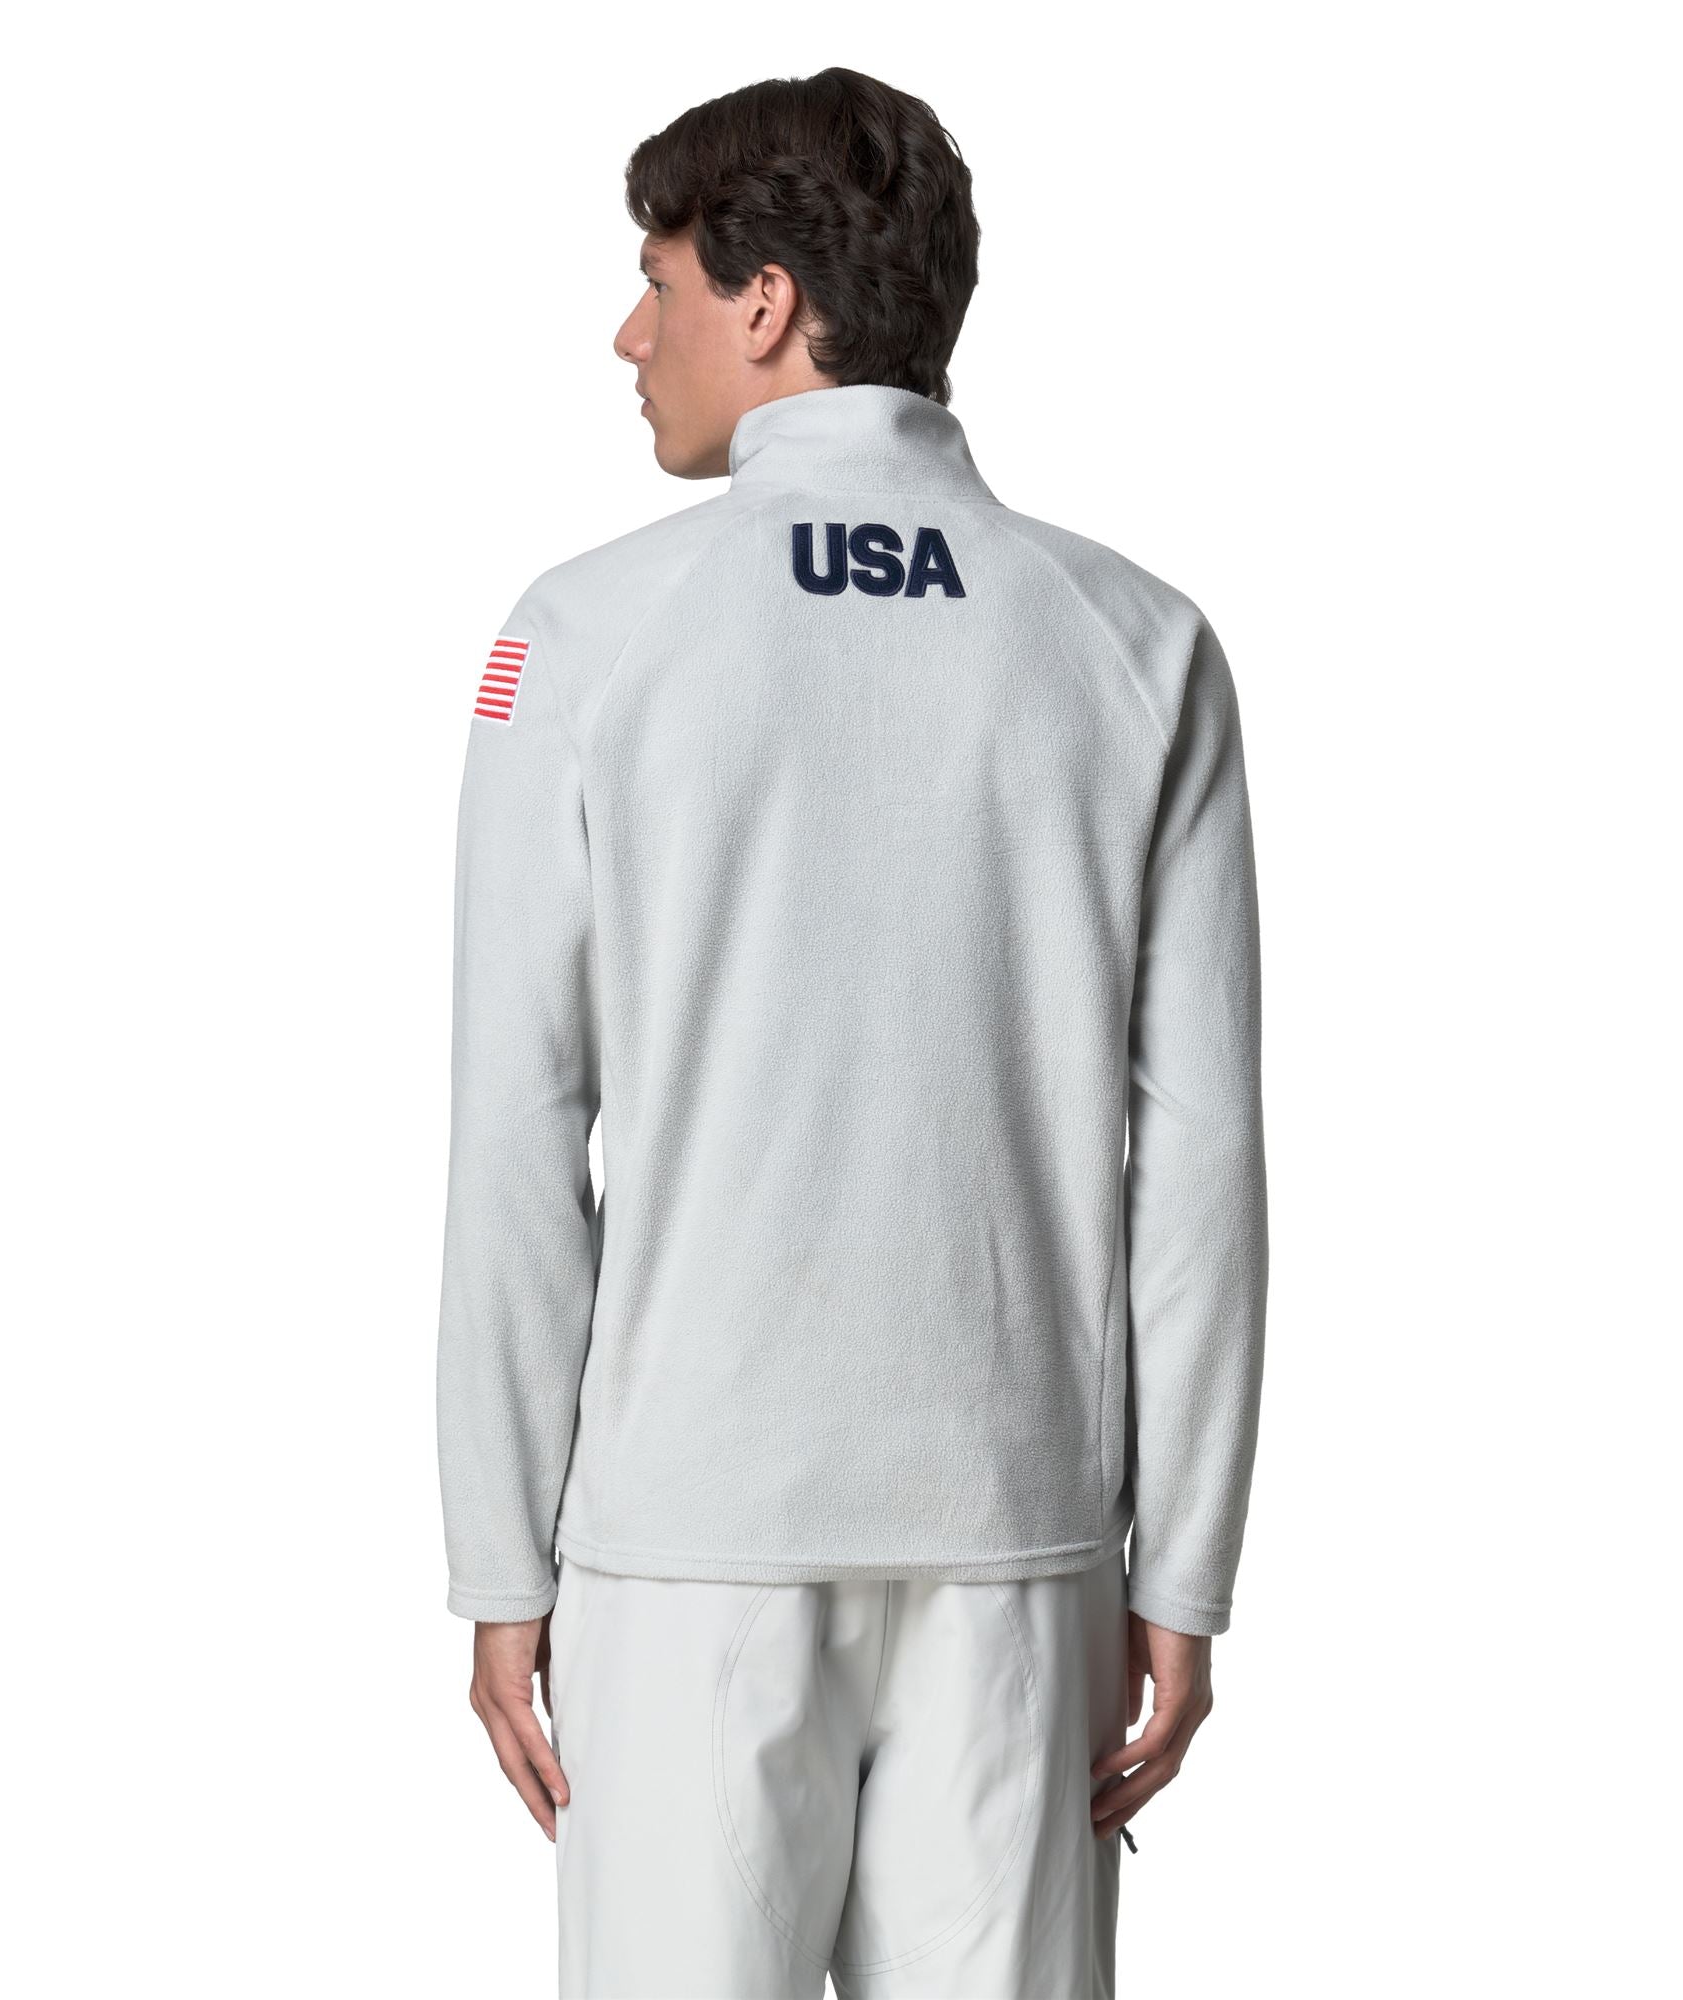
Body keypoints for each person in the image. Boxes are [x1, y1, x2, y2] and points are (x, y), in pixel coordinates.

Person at [435, 66, 1269, 2000]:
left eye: (658, 282)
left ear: (769, 302)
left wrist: (497, 1556)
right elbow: (1204, 1154)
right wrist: (1183, 1566)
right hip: (1022, 1539)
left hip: (686, 1545)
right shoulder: (1140, 644)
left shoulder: (577, 637)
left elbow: (517, 1125)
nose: (627, 333)